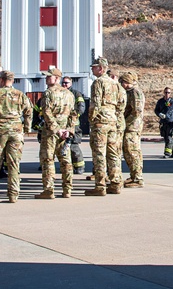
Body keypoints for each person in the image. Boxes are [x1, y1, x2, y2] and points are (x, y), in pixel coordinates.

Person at [0, 71, 32, 203]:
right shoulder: (20, 95)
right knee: (14, 163)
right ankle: (13, 195)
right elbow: (28, 112)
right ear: (12, 81)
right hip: (16, 131)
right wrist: (26, 128)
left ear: (1, 80)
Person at [85, 57, 126, 196]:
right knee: (113, 154)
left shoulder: (98, 82)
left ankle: (100, 185)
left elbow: (95, 104)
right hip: (112, 120)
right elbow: (121, 103)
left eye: (94, 67)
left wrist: (91, 119)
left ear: (101, 68)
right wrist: (114, 114)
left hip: (101, 121)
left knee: (99, 154)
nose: (92, 69)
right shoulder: (115, 84)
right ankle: (115, 183)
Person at [36, 67, 76, 199]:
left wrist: (56, 129)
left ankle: (49, 189)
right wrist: (69, 130)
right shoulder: (69, 94)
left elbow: (46, 112)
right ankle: (67, 189)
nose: (47, 79)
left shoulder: (48, 93)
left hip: (51, 132)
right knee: (65, 160)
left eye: (49, 76)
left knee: (48, 160)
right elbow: (73, 115)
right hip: (64, 131)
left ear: (57, 78)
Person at [119, 72, 145, 188]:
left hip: (132, 127)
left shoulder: (135, 92)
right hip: (130, 126)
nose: (122, 84)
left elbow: (137, 111)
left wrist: (125, 123)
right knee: (129, 152)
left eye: (123, 82)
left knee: (132, 151)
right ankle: (134, 175)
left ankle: (138, 178)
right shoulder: (129, 92)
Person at [61, 76, 86, 175]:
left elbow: (81, 107)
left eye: (66, 83)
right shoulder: (60, 93)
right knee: (63, 146)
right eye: (63, 83)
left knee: (73, 146)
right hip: (62, 124)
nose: (64, 84)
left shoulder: (76, 94)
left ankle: (80, 166)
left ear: (71, 83)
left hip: (73, 125)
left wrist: (74, 117)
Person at [155, 87, 173, 157]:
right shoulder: (160, 101)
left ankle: (167, 153)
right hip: (163, 122)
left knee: (169, 137)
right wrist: (159, 114)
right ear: (163, 93)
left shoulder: (172, 101)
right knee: (166, 138)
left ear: (170, 93)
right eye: (166, 92)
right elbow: (156, 110)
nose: (167, 94)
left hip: (170, 122)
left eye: (168, 93)